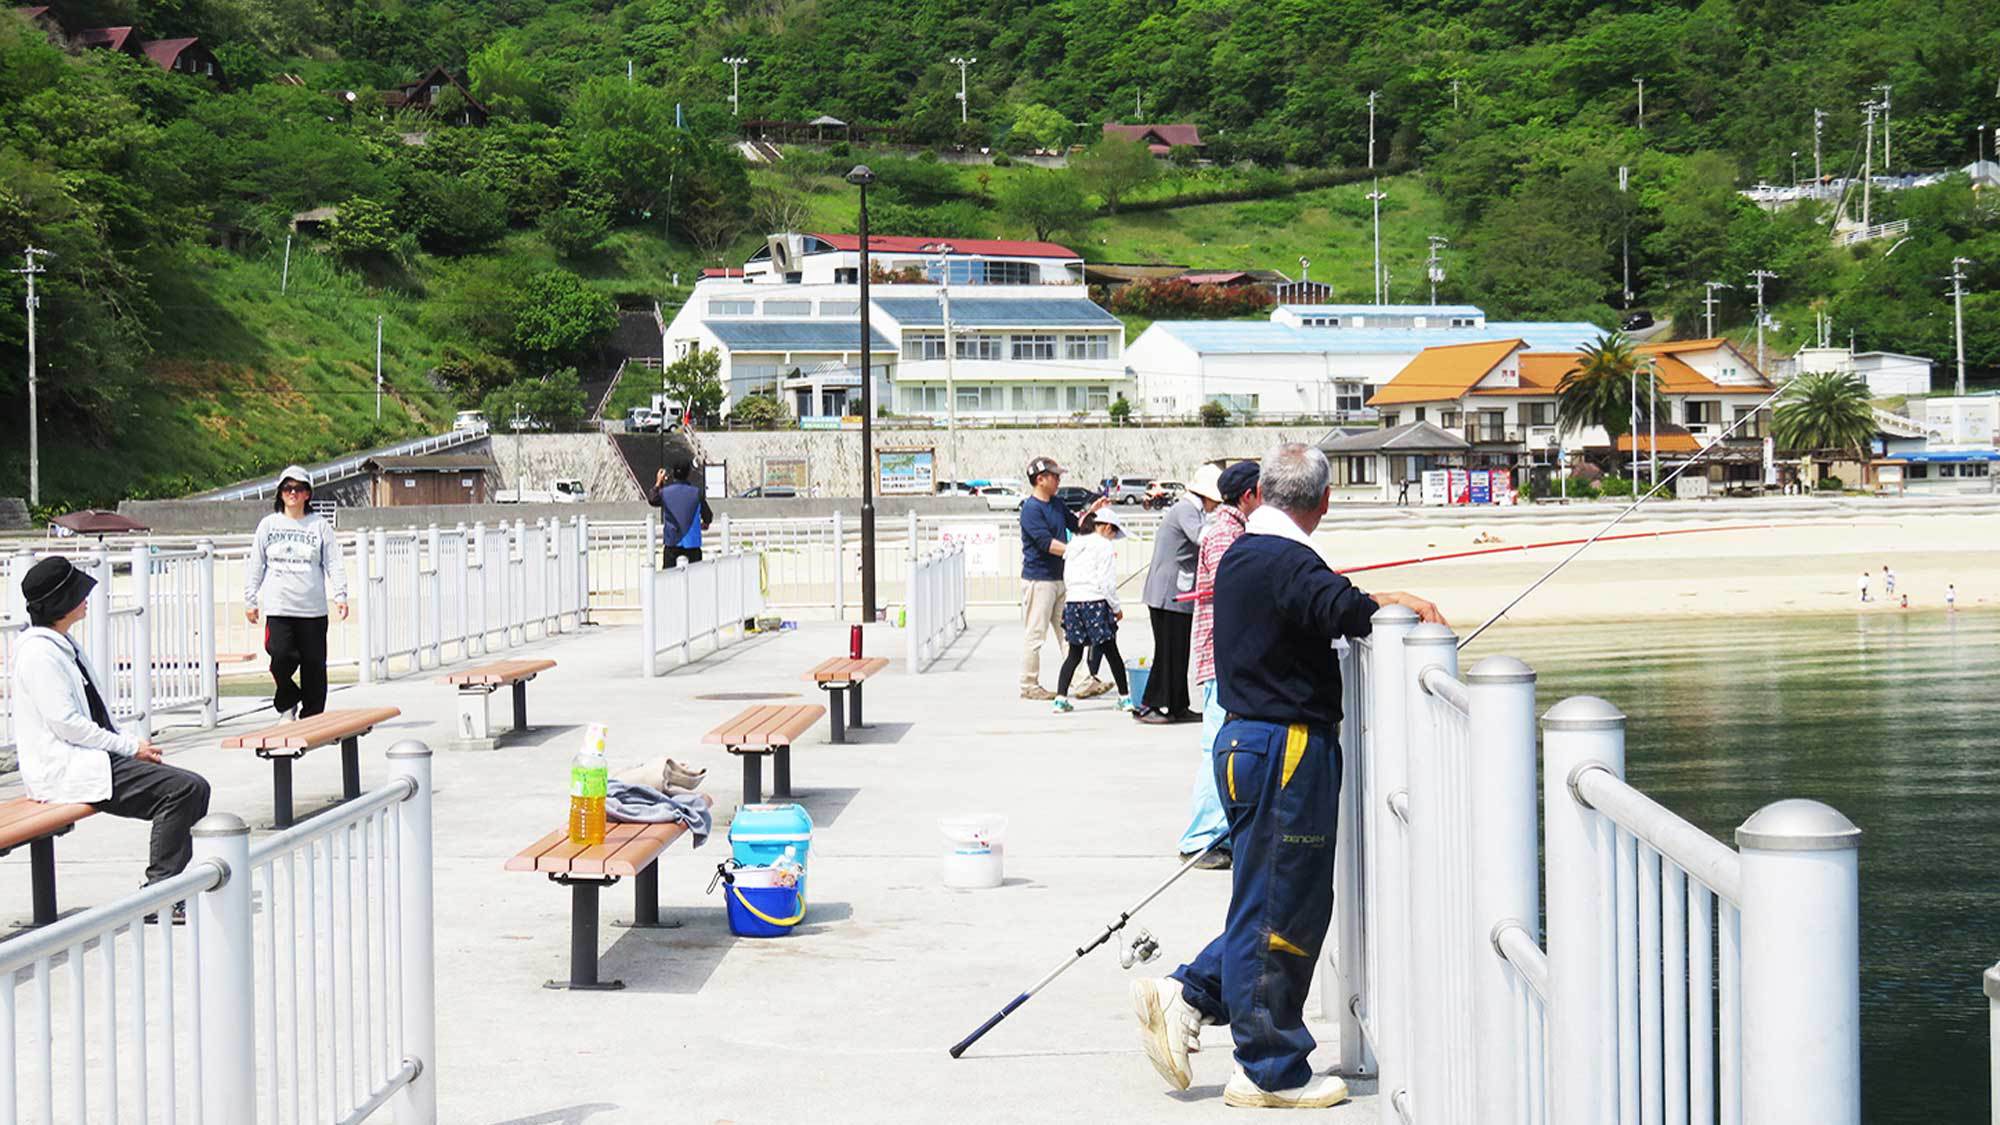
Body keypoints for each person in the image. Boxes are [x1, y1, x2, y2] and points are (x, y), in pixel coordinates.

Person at [1131, 442, 1444, 1109]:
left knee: (1277, 898)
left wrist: (1368, 595)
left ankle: (1191, 992)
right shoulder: (1282, 558)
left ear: (1262, 491)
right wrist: (1387, 601)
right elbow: (1340, 606)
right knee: (1281, 906)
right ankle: (1268, 1068)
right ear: (1323, 502)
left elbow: (1322, 597)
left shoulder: (1250, 551)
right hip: (1287, 747)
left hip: (1252, 740)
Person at [13, 556, 211, 898]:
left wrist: (131, 745)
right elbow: (67, 725)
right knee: (184, 790)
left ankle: (165, 888)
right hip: (66, 768)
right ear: (61, 604)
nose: (86, 598)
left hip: (93, 759)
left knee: (190, 787)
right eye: (78, 592)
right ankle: (160, 894)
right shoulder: (39, 655)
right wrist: (130, 748)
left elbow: (95, 714)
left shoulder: (61, 645)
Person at [1178, 460, 1261, 869]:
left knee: (1220, 745)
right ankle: (1201, 839)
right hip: (1220, 658)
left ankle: (1216, 835)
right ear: (1248, 496)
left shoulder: (1228, 529)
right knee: (1217, 747)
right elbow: (1242, 590)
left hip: (1220, 656)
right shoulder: (1227, 533)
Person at [246, 466, 347, 719]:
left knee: (314, 666)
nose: (293, 493)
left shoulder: (319, 526)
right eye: (288, 488)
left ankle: (312, 716)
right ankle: (288, 699)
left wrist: (341, 594)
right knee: (280, 656)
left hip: (312, 609)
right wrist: (250, 598)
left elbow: (333, 562)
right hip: (280, 607)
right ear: (280, 493)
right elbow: (256, 563)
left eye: (299, 489)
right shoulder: (268, 525)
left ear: (307, 495)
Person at [1018, 456, 1108, 701]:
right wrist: (1076, 551)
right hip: (1039, 581)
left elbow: (1077, 525)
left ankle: (1082, 681)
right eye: (1055, 476)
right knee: (1035, 635)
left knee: (1070, 633)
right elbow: (1045, 543)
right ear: (1040, 479)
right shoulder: (1031, 509)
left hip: (1060, 579)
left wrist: (1093, 512)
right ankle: (1029, 684)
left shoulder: (1056, 503)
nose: (1058, 480)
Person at [1137, 464, 1221, 724]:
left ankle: (1177, 705)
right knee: (1167, 651)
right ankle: (1150, 704)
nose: (1216, 507)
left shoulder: (1191, 510)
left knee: (1179, 651)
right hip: (1168, 592)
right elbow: (1201, 537)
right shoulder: (1186, 509)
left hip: (1178, 591)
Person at [1052, 510, 1135, 713]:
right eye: (1114, 533)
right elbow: (1106, 582)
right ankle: (1125, 698)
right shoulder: (1104, 545)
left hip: (1073, 603)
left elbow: (1068, 576)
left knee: (1074, 653)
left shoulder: (1074, 544)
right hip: (1095, 602)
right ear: (1107, 527)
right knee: (1111, 651)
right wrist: (1116, 607)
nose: (1113, 538)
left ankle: (1060, 698)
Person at [650, 463, 714, 566]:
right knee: (695, 576)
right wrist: (706, 523)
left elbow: (652, 499)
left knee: (669, 577)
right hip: (692, 543)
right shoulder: (696, 493)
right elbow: (708, 515)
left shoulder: (665, 493)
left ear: (673, 474)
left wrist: (659, 482)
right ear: (688, 473)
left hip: (672, 543)